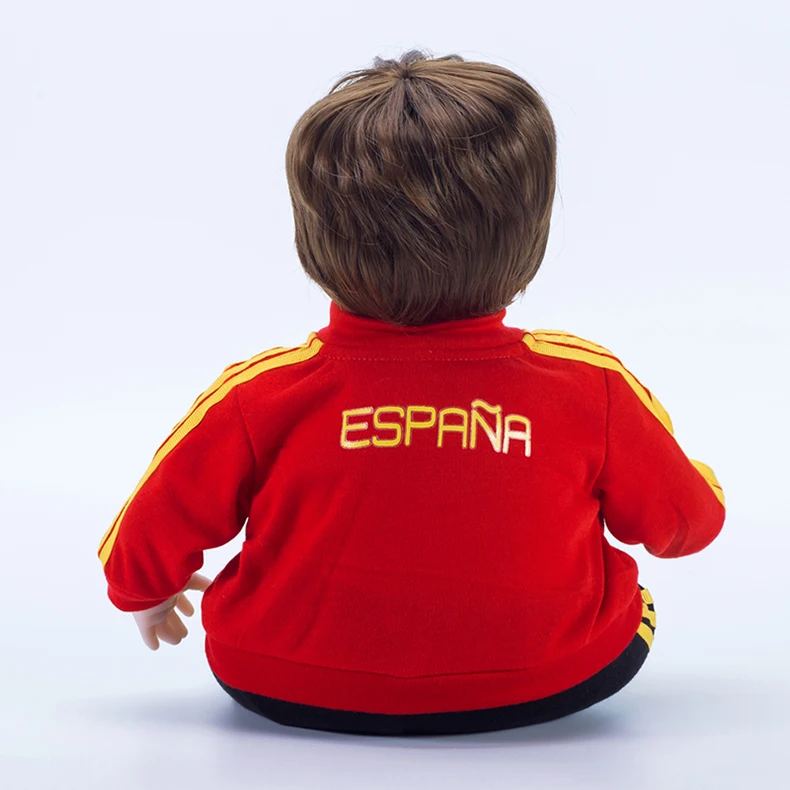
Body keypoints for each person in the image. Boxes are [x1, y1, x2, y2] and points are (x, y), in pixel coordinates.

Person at [97, 49, 725, 736]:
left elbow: (144, 535)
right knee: (634, 602)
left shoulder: (259, 393)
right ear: (531, 229)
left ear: (313, 233)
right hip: (552, 680)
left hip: (275, 681)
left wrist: (145, 594)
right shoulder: (590, 384)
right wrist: (699, 481)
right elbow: (686, 527)